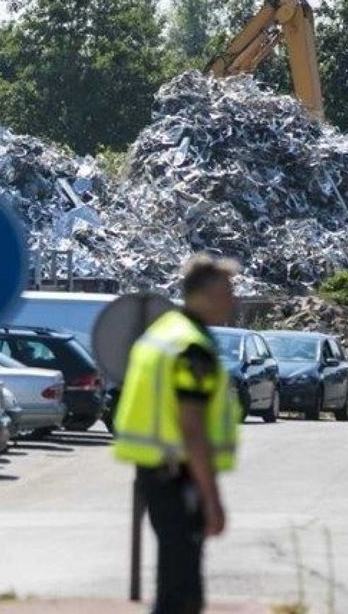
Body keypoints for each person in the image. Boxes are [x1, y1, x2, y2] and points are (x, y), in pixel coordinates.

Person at [113, 254, 240, 614]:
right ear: (205, 293)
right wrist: (212, 497)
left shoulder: (165, 332)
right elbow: (192, 427)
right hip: (178, 478)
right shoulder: (192, 349)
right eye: (228, 291)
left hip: (156, 473)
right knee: (182, 593)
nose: (234, 300)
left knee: (175, 583)